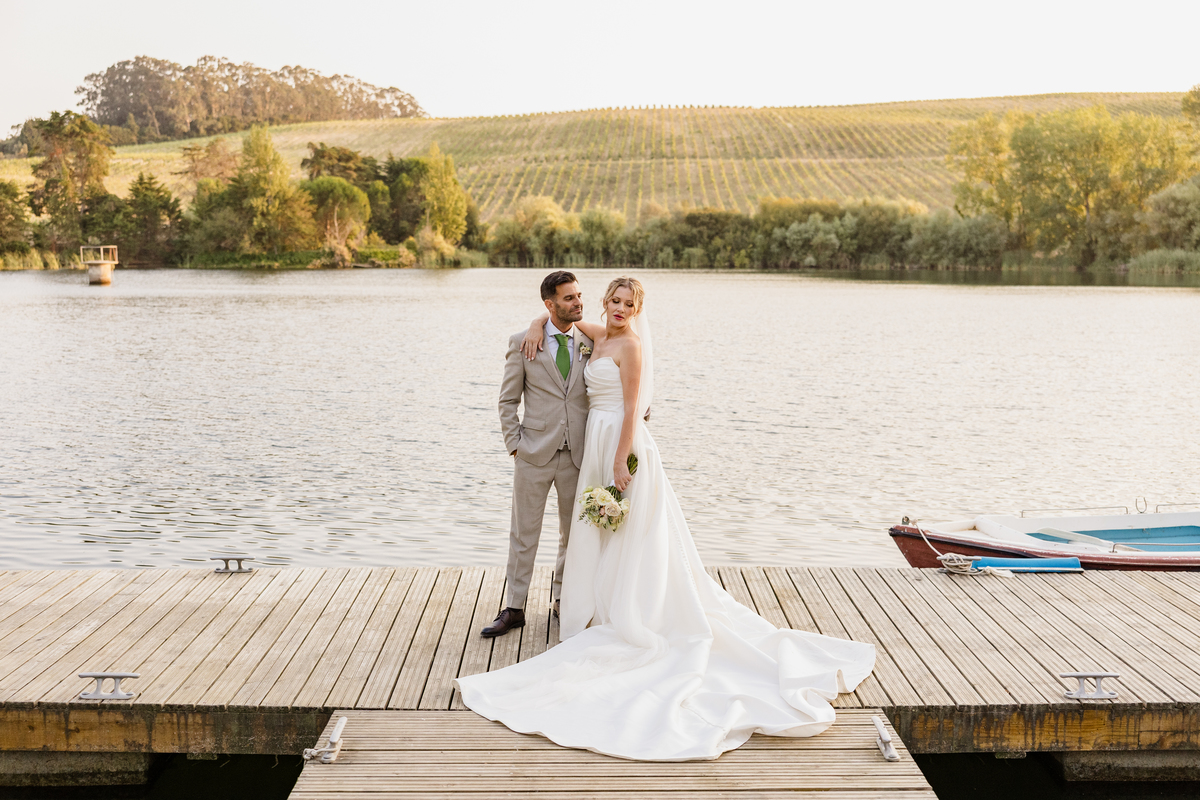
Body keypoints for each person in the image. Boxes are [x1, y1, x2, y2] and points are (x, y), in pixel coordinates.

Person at [457, 277, 876, 761]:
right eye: (611, 300)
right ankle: (527, 606)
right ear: (592, 303)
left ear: (636, 308)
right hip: (567, 449)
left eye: (627, 303)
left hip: (610, 446)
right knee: (549, 532)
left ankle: (594, 604)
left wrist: (621, 458)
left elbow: (633, 405)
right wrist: (535, 328)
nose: (616, 308)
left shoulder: (629, 344)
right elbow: (540, 349)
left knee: (603, 533)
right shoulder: (591, 334)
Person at [482, 271, 592, 638]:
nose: (578, 302)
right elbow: (507, 401)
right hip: (533, 453)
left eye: (579, 295)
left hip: (578, 455)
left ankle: (562, 600)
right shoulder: (523, 342)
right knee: (523, 534)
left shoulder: (591, 340)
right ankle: (514, 608)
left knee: (573, 536)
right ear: (550, 304)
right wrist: (515, 445)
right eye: (569, 298)